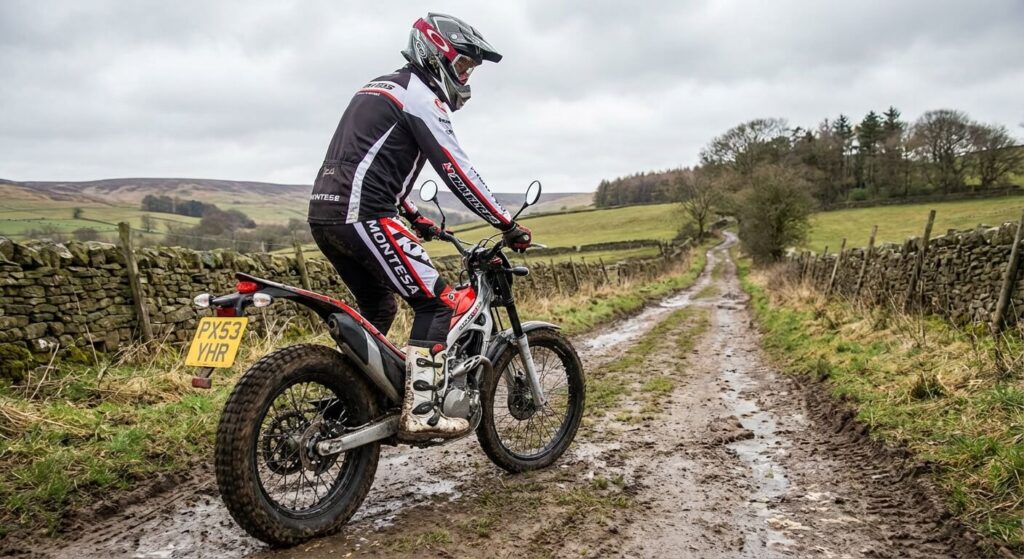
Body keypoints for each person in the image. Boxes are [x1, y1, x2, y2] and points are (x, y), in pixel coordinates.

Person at [307, 13, 532, 440]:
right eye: (464, 66)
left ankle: (350, 400)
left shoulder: (381, 86)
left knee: (381, 309)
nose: (467, 78)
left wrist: (411, 215)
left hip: (326, 215)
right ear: (437, 54)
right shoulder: (421, 97)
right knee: (437, 303)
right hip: (364, 214)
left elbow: (367, 161)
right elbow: (458, 171)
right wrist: (506, 223)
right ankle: (423, 411)